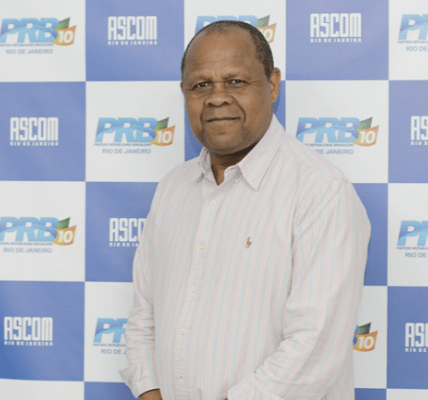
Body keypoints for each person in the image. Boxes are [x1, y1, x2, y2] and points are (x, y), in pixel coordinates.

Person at [120, 20, 371, 400]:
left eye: (236, 81)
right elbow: (144, 316)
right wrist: (150, 391)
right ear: (184, 93)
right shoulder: (172, 188)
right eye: (200, 85)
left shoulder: (320, 190)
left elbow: (314, 345)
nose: (216, 98)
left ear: (272, 85)